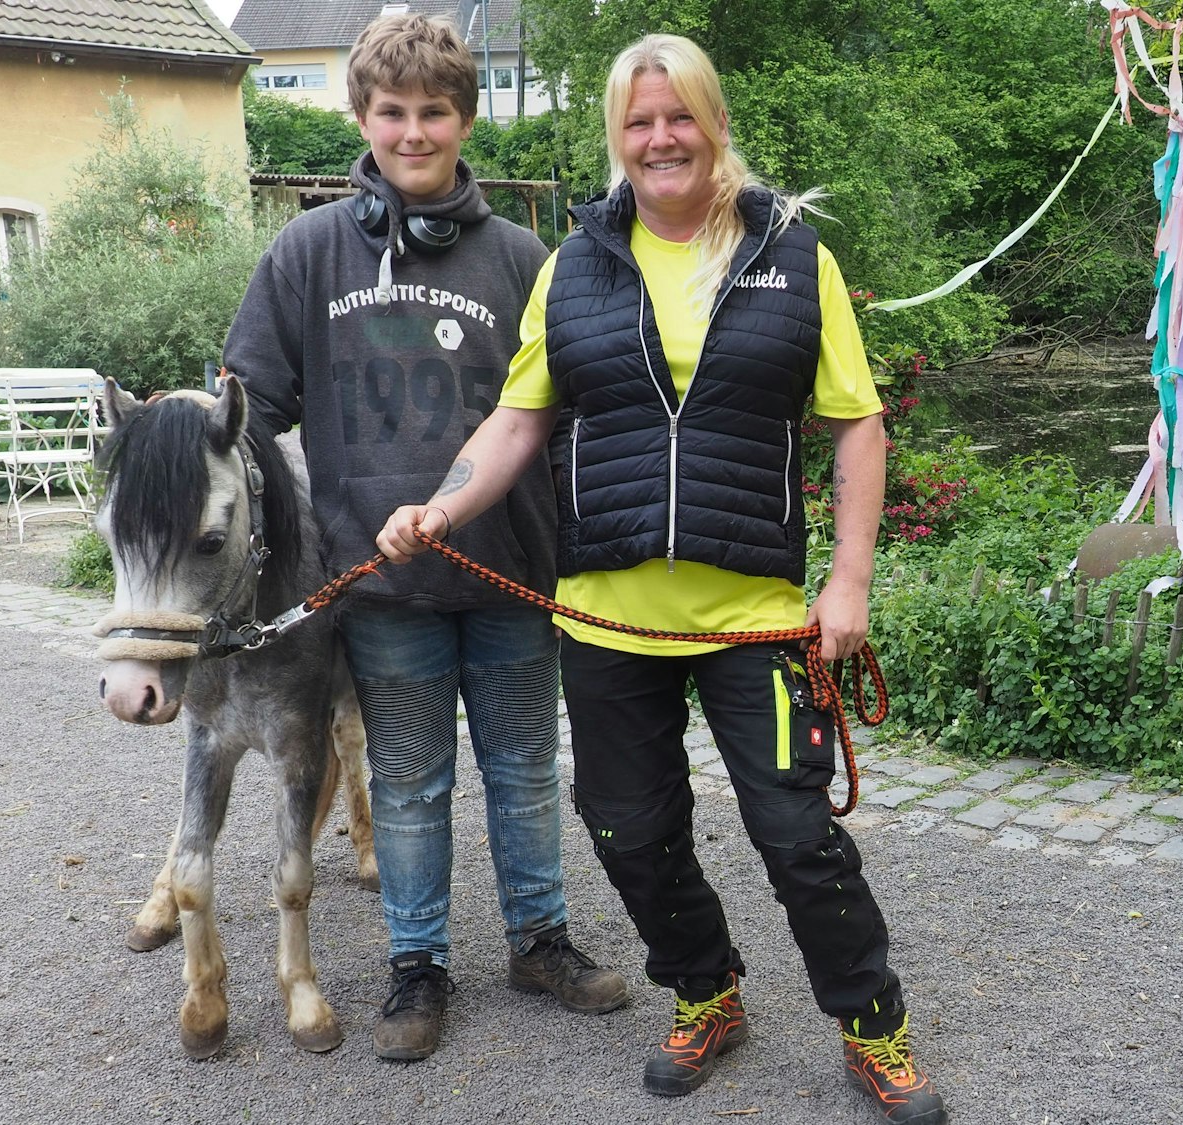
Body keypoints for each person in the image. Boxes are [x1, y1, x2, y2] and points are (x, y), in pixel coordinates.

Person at [376, 32, 948, 1125]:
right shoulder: (575, 265)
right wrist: (442, 506)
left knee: (798, 838)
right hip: (604, 619)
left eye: (676, 115)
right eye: (637, 122)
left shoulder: (791, 256)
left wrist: (849, 585)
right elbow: (520, 416)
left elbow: (857, 427)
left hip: (755, 622)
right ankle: (705, 993)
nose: (658, 138)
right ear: (616, 138)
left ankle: (873, 1026)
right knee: (627, 830)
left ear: (711, 121)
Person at [222, 12, 627, 1063]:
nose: (412, 132)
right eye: (392, 112)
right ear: (362, 115)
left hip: (510, 572)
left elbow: (570, 414)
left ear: (465, 117)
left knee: (525, 768)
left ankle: (540, 939)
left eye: (433, 112)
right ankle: (417, 965)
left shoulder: (524, 256)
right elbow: (249, 412)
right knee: (407, 781)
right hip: (377, 582)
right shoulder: (307, 252)